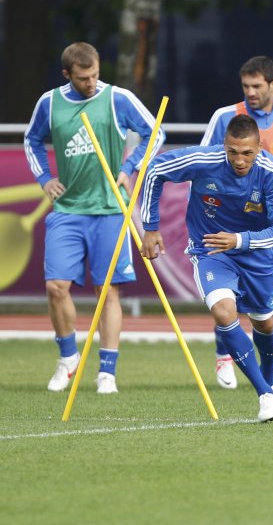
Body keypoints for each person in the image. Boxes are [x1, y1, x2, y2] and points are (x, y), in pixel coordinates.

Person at [24, 42, 165, 394]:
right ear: (67, 74)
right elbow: (31, 141)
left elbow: (156, 132)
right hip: (69, 210)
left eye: (95, 75)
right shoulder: (50, 102)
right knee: (56, 287)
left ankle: (107, 372)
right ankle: (68, 357)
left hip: (110, 209)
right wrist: (45, 178)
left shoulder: (118, 98)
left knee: (108, 292)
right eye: (83, 78)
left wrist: (130, 167)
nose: (91, 83)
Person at [140, 114, 273, 421]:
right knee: (224, 312)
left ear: (259, 147)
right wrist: (150, 227)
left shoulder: (271, 173)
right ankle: (265, 393)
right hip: (210, 250)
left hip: (255, 255)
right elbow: (155, 169)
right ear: (223, 145)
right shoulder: (203, 159)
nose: (240, 160)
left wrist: (239, 240)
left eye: (247, 153)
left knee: (264, 322)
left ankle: (269, 383)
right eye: (233, 152)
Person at [201, 56, 273, 391]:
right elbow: (202, 164)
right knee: (226, 296)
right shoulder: (225, 117)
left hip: (268, 229)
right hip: (227, 226)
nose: (250, 92)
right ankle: (224, 358)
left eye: (257, 86)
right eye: (245, 86)